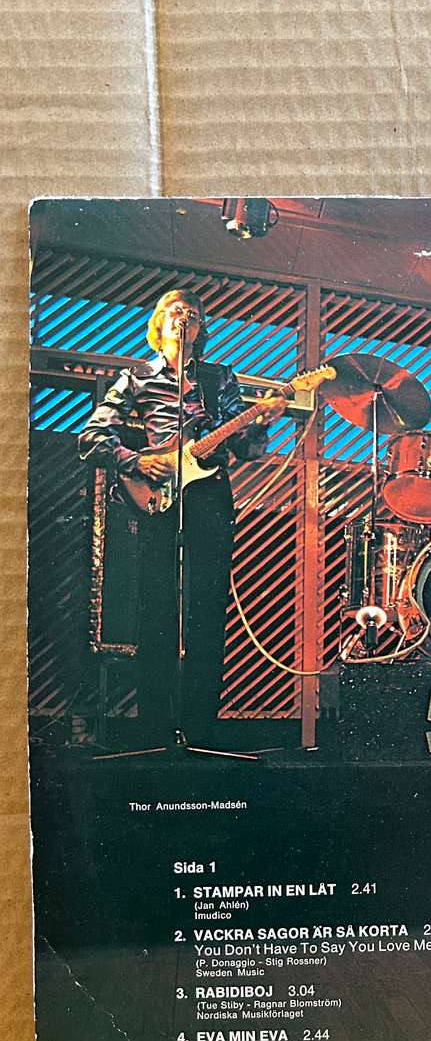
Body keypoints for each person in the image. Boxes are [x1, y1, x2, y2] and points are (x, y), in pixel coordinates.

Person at [78, 288, 286, 745]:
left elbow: (246, 449)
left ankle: (201, 731)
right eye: (175, 310)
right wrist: (137, 460)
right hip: (159, 495)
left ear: (200, 329)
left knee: (207, 610)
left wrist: (262, 422)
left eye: (193, 313)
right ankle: (154, 732)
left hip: (210, 495)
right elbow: (91, 438)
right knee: (156, 610)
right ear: (159, 322)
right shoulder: (136, 378)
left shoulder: (219, 378)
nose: (184, 317)